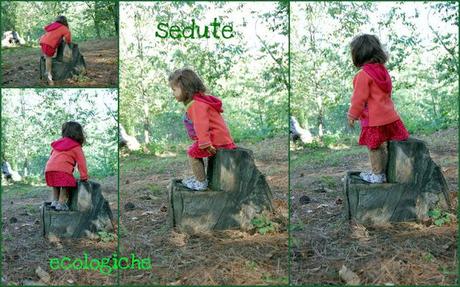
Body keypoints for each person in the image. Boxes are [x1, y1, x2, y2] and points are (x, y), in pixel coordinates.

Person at [347, 34, 409, 184]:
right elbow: (387, 92)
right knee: (385, 146)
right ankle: (386, 172)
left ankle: (377, 175)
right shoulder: (382, 71)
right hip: (391, 117)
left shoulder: (363, 75)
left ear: (358, 54)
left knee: (374, 147)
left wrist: (352, 115)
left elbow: (358, 99)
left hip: (374, 120)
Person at [169, 68, 237, 191]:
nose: (172, 93)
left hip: (214, 139)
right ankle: (200, 178)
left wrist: (205, 143)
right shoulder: (197, 102)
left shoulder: (196, 104)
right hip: (218, 137)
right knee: (194, 151)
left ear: (185, 88)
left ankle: (200, 182)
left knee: (192, 154)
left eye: (174, 89)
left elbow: (201, 125)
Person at [45, 121, 88, 211]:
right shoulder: (76, 147)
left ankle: (54, 201)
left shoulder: (58, 144)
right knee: (65, 185)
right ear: (79, 134)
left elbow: (52, 155)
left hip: (49, 169)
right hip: (63, 171)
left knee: (56, 183)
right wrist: (84, 176)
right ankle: (61, 203)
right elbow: (82, 163)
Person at [39, 15, 72, 86]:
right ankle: (48, 74)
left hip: (43, 41)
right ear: (65, 21)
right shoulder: (64, 28)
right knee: (49, 58)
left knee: (47, 56)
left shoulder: (53, 25)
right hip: (49, 44)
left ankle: (47, 70)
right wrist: (68, 42)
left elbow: (46, 29)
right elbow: (68, 38)